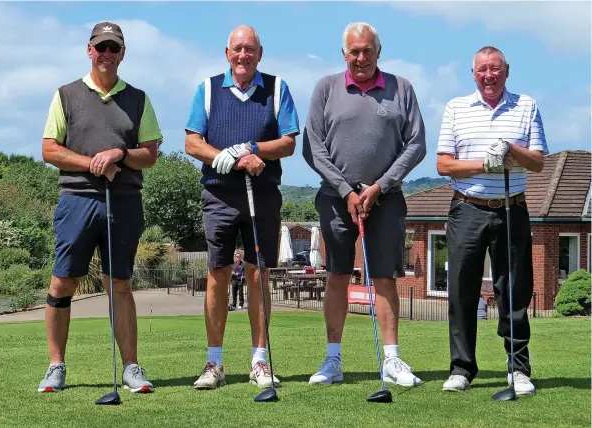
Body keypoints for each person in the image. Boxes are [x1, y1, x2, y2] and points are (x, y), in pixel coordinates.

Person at [38, 22, 162, 393]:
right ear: (89, 50)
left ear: (122, 53)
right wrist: (92, 162)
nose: (107, 54)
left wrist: (119, 154)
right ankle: (56, 366)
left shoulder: (138, 98)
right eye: (101, 47)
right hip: (76, 199)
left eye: (114, 48)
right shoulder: (66, 94)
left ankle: (131, 368)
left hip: (123, 201)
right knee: (63, 281)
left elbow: (150, 153)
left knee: (119, 283)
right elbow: (49, 149)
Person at [302, 22, 426, 387]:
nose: (361, 58)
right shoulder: (326, 88)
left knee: (386, 277)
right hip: (336, 197)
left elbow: (416, 144)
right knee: (338, 275)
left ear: (378, 51)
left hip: (385, 198)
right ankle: (333, 360)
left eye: (367, 51)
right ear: (344, 54)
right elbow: (314, 146)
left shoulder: (402, 88)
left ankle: (392, 359)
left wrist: (380, 186)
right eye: (354, 51)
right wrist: (346, 190)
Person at [185, 24, 300, 390]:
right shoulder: (207, 89)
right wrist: (231, 158)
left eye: (250, 49)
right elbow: (192, 142)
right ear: (227, 52)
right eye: (237, 49)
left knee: (257, 275)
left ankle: (259, 361)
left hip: (263, 195)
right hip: (220, 196)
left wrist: (251, 149)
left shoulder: (277, 88)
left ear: (260, 53)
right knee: (218, 274)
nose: (243, 56)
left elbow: (287, 143)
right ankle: (214, 363)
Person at [436, 46, 548, 395]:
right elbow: (444, 165)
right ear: (473, 73)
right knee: (462, 291)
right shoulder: (456, 108)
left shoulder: (526, 105)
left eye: (495, 69)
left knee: (513, 289)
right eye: (482, 70)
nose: (489, 75)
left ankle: (518, 369)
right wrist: (487, 163)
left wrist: (512, 151)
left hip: (512, 208)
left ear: (506, 71)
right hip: (467, 206)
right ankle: (461, 368)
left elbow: (538, 162)